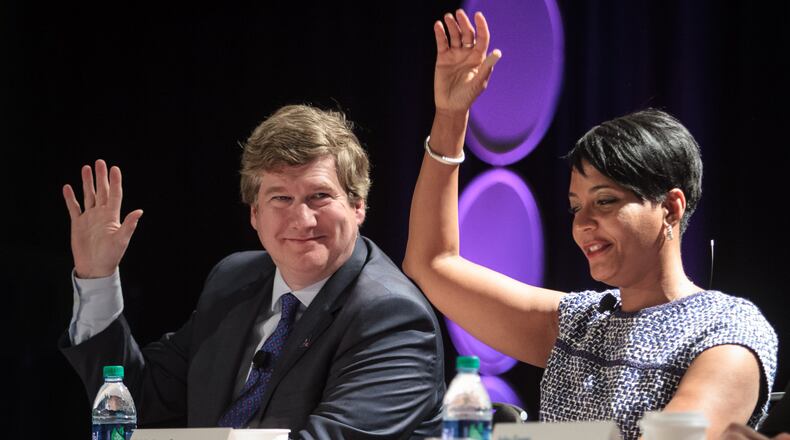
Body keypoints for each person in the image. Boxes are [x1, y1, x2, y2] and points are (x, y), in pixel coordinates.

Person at [402, 8, 777, 440]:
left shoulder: (727, 328)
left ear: (671, 208)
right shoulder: (581, 324)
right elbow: (432, 263)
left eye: (605, 201)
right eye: (575, 207)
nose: (583, 224)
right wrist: (450, 118)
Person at [59, 104, 445, 439]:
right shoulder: (235, 280)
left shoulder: (393, 317)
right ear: (254, 214)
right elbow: (139, 403)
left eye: (320, 196)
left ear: (357, 205)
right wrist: (97, 276)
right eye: (281, 198)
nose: (302, 218)